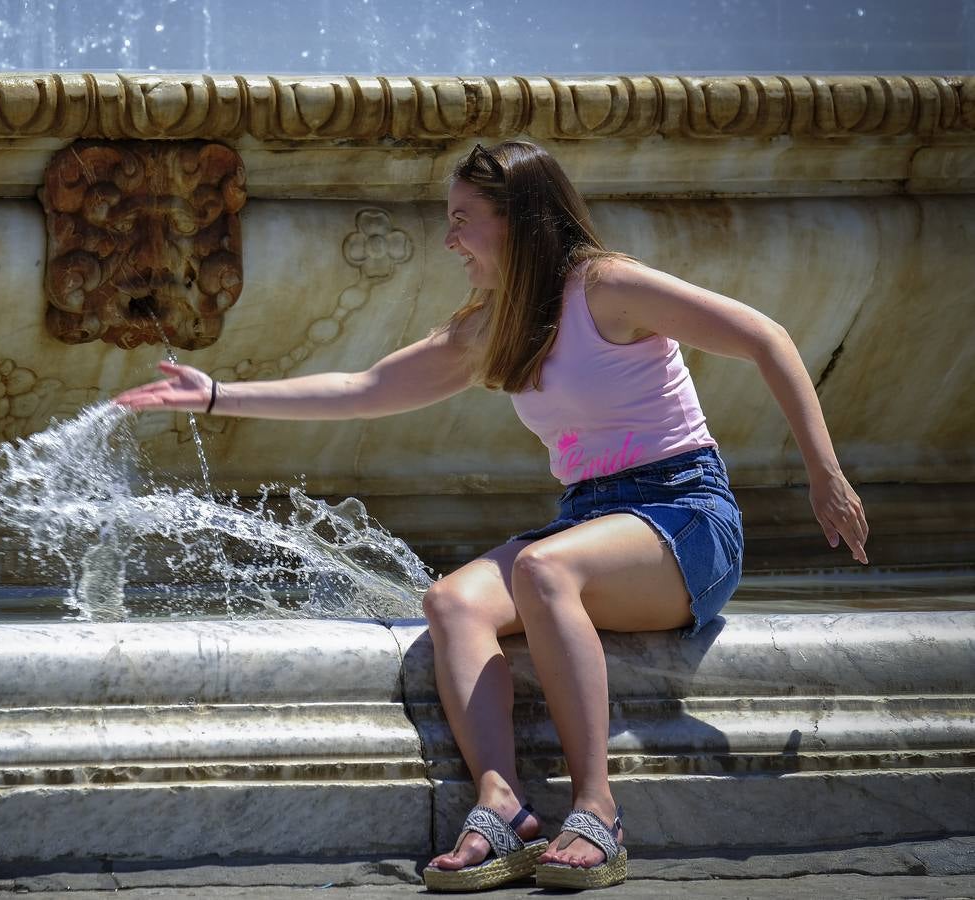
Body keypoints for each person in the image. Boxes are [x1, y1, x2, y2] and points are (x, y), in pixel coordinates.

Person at [115, 141, 869, 891]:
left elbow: (765, 337)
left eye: (462, 219)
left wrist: (824, 473)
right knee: (451, 601)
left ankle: (598, 813)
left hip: (684, 516)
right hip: (590, 526)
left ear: (518, 220)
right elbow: (362, 387)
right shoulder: (493, 324)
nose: (449, 240)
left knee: (546, 568)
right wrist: (218, 394)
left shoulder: (608, 287)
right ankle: (502, 804)